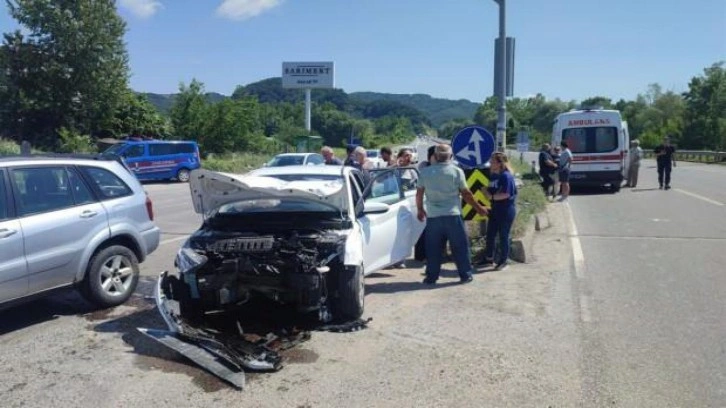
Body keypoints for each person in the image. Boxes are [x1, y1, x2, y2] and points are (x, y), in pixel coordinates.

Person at [416, 144, 488, 285]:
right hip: (453, 215)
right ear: (450, 156)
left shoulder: (425, 173)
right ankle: (465, 275)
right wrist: (479, 208)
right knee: (460, 247)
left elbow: (419, 193)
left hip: (433, 217)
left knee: (433, 249)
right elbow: (467, 194)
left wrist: (420, 209)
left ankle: (431, 277)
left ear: (435, 156)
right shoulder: (456, 172)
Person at [479, 152, 517, 271]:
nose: (490, 163)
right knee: (490, 234)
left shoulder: (506, 176)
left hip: (505, 210)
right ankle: (489, 257)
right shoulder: (493, 176)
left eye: (493, 161)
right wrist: (486, 192)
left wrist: (491, 197)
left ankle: (503, 260)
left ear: (500, 163)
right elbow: (491, 191)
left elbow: (506, 194)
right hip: (495, 209)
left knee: (503, 235)